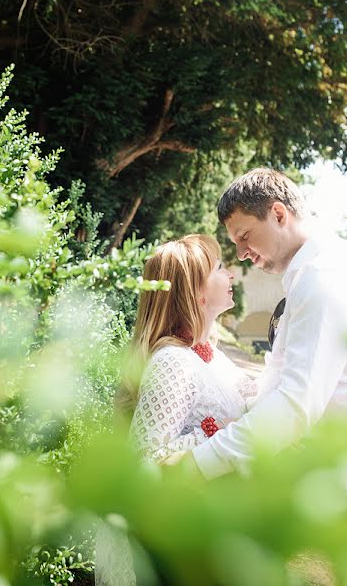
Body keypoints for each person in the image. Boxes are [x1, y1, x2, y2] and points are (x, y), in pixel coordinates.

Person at [186, 167, 347, 480]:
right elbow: (283, 377)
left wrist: (194, 464)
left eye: (244, 236)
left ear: (278, 214)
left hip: (331, 478)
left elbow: (295, 406)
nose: (242, 254)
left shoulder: (325, 278)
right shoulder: (314, 272)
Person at [96, 234, 258, 586]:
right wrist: (221, 430)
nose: (230, 274)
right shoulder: (172, 361)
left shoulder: (209, 354)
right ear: (195, 291)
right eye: (218, 268)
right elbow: (148, 460)